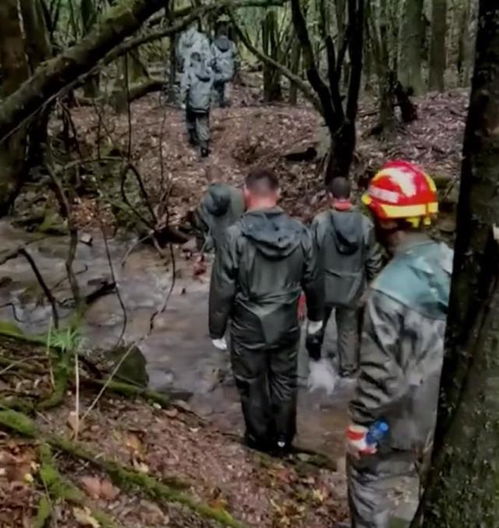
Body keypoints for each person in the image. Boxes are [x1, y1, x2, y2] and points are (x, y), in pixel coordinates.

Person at [343, 161, 453, 528]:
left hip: (397, 425)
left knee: (367, 484)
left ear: (387, 220)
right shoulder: (454, 263)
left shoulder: (385, 292)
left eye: (374, 212)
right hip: (444, 419)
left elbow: (377, 376)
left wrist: (358, 428)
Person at [209, 168, 324, 453]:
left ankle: (259, 441)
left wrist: (216, 329)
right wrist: (317, 318)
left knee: (251, 382)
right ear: (279, 194)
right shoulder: (301, 232)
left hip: (248, 323)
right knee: (285, 380)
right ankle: (284, 439)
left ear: (246, 193)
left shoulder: (234, 236)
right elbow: (314, 280)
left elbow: (223, 287)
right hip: (286, 320)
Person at [308, 177, 383, 379]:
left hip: (323, 287)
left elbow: (310, 258)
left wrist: (304, 288)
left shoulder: (320, 222)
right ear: (351, 196)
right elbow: (373, 260)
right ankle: (348, 373)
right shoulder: (365, 225)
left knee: (316, 324)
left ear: (330, 196)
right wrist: (373, 289)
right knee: (348, 331)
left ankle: (313, 365)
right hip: (353, 288)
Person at [192, 183, 245, 252]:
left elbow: (201, 230)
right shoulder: (240, 195)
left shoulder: (203, 203)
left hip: (218, 246)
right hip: (238, 243)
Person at [180, 51, 214, 157]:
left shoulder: (189, 72)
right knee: (203, 123)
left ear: (193, 60)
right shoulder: (210, 72)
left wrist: (182, 100)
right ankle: (204, 147)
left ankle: (193, 139)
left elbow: (184, 87)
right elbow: (212, 87)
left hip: (192, 103)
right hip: (205, 103)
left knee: (190, 118)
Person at [210, 22, 239, 107]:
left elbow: (211, 61)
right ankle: (226, 100)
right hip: (228, 73)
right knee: (227, 86)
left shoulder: (213, 45)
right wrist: (235, 70)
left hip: (217, 74)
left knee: (216, 89)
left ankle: (216, 102)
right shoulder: (232, 45)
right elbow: (236, 59)